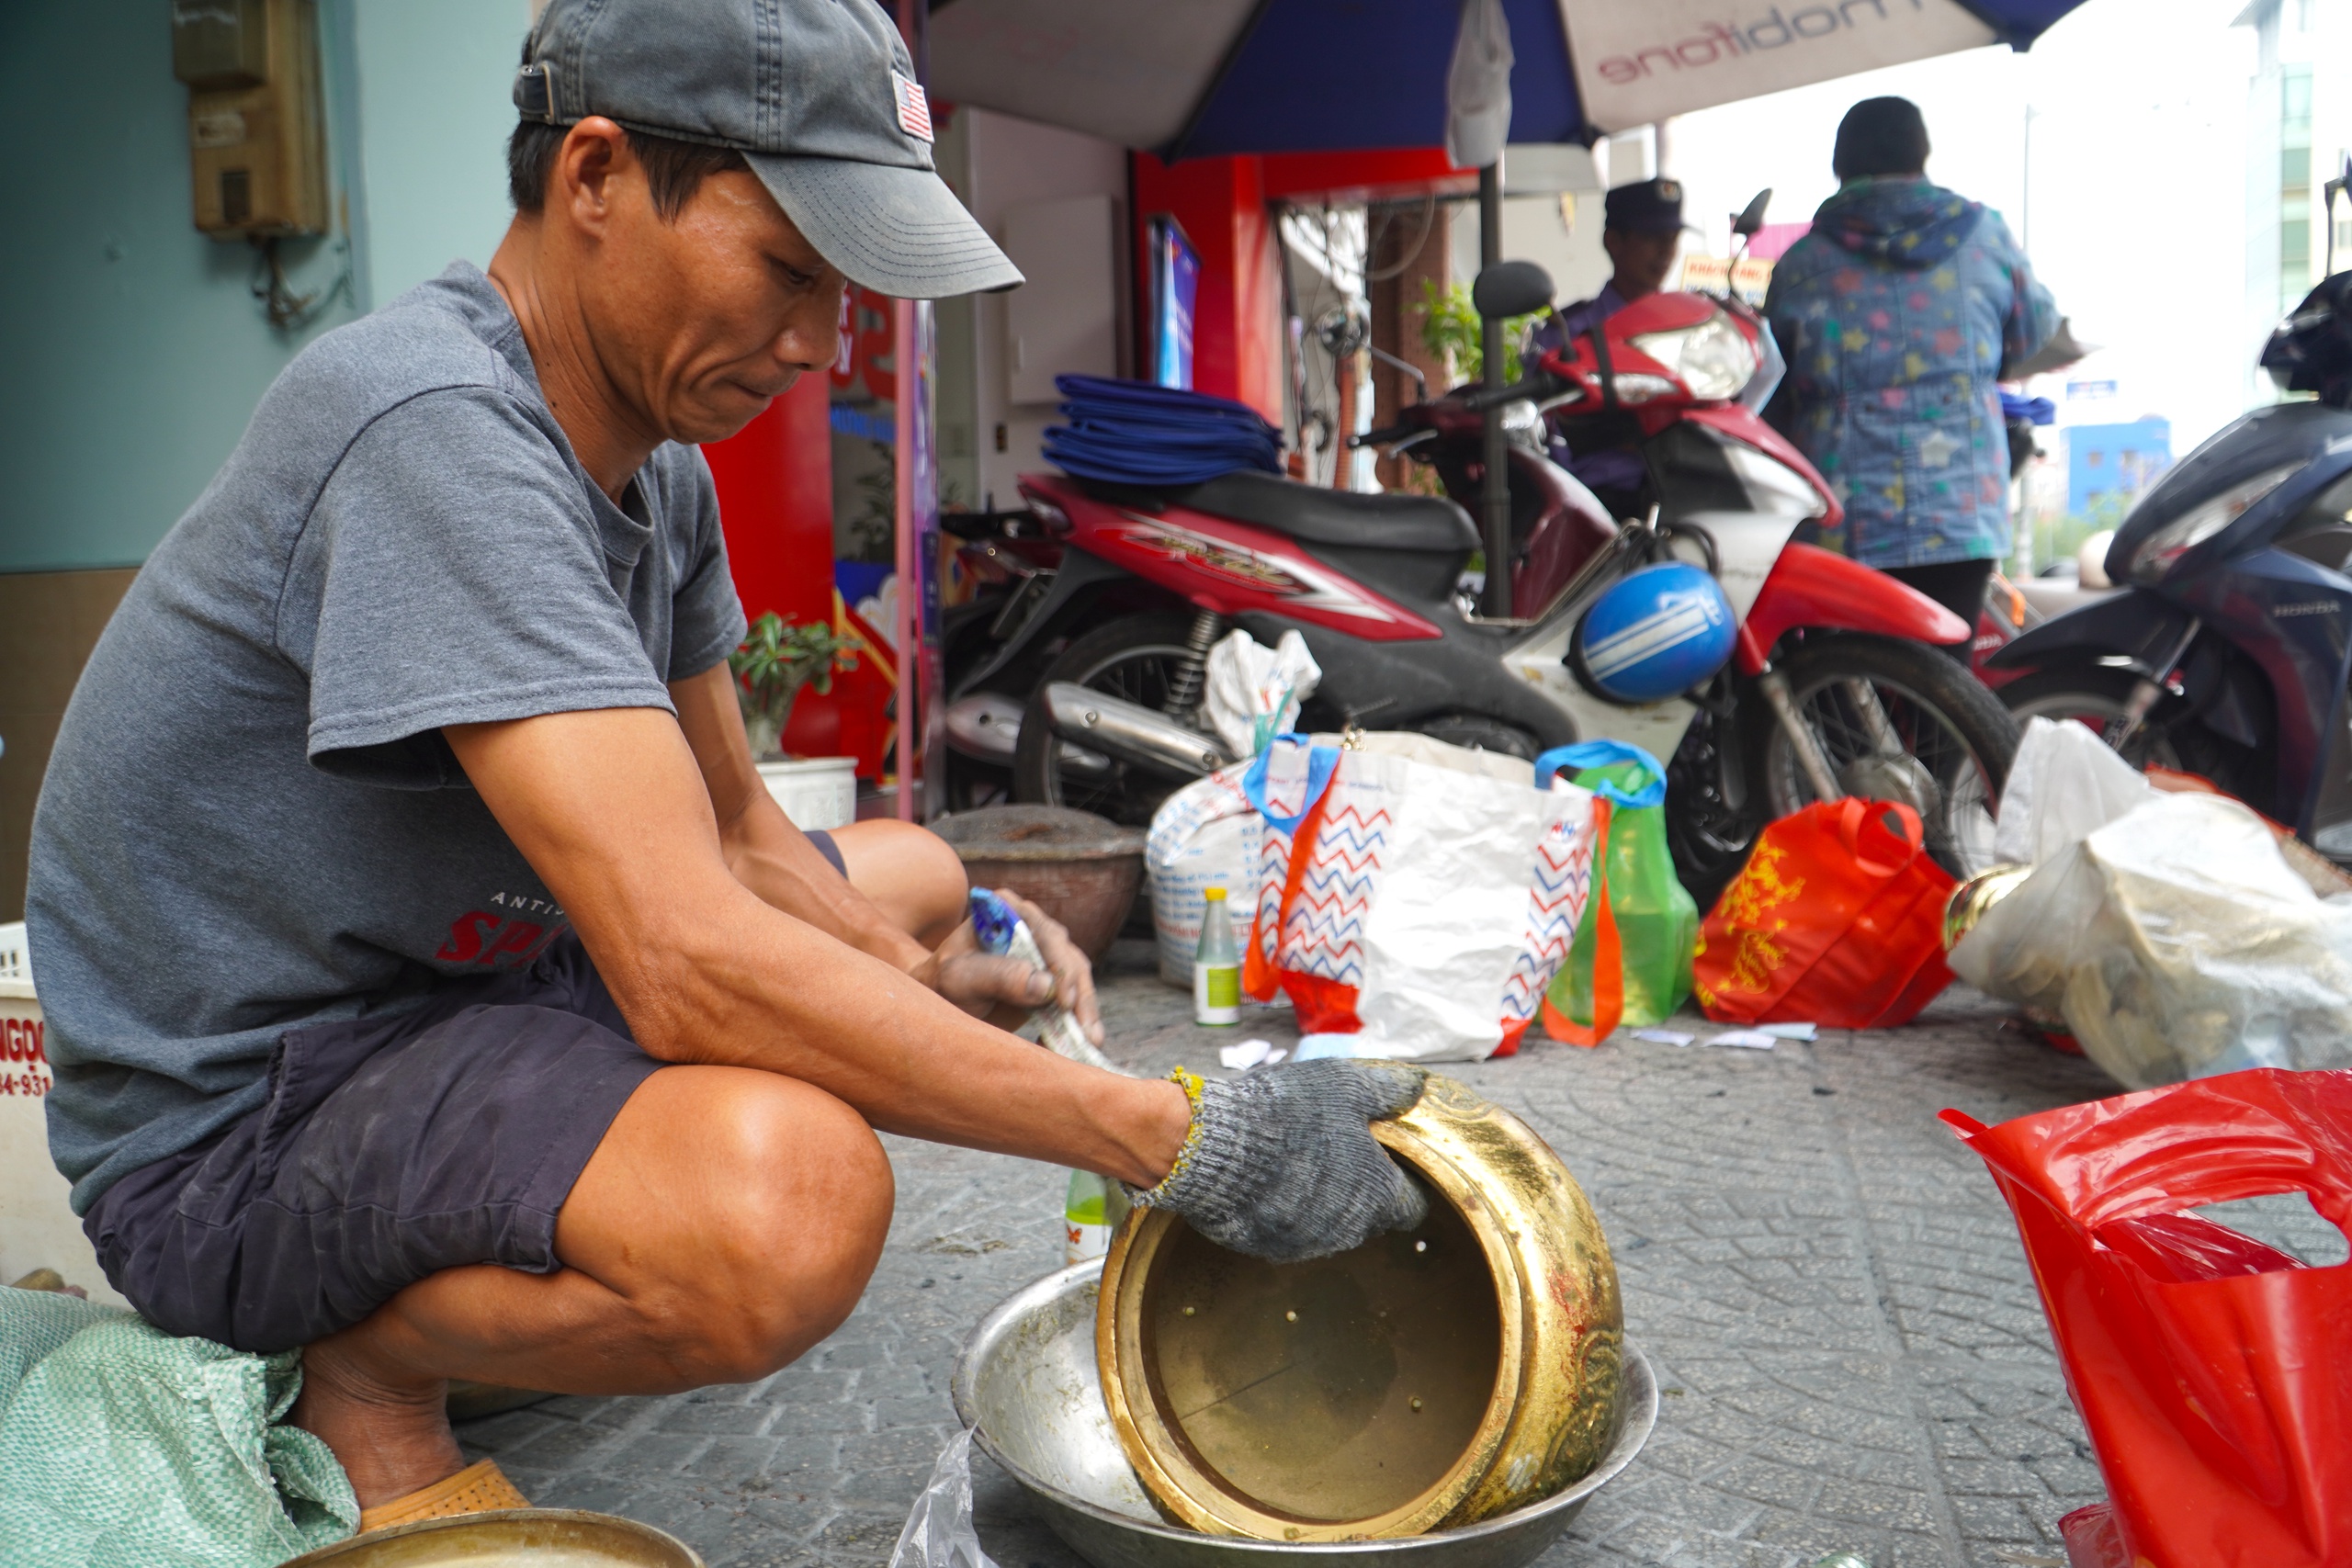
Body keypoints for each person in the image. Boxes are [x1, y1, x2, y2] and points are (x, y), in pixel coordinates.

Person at [25, 0, 1430, 1533]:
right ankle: (364, 1359)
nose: (819, 343)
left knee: (923, 880)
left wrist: (912, 981)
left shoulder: (655, 461)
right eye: (786, 269)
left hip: (453, 998)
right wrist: (1169, 1133)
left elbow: (745, 840)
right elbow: (687, 960)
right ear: (597, 177)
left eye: (840, 292)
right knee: (794, 1202)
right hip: (242, 1127)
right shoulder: (432, 432)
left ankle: (539, 1209)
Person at [1764, 96, 2060, 644]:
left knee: (1848, 694)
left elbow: (1771, 383)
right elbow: (2033, 331)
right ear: (1922, 153)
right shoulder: (1985, 238)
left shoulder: (1802, 265)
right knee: (1947, 694)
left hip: (1845, 519)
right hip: (1962, 509)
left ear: (1841, 165)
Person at [1528, 177, 1689, 519]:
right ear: (1613, 241)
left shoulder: (1689, 330)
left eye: (1672, 238)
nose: (1665, 251)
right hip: (1596, 509)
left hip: (1683, 503)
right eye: (1651, 238)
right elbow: (1544, 434)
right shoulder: (1567, 335)